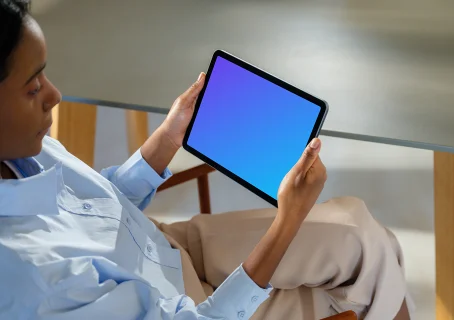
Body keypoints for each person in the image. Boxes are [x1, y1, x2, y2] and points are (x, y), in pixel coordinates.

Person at [0, 1, 412, 319]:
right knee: (373, 274)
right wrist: (288, 221)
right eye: (33, 87)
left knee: (360, 231)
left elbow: (98, 203)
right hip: (188, 303)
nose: (54, 94)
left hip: (166, 244)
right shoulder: (34, 278)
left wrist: (166, 139)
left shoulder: (22, 149)